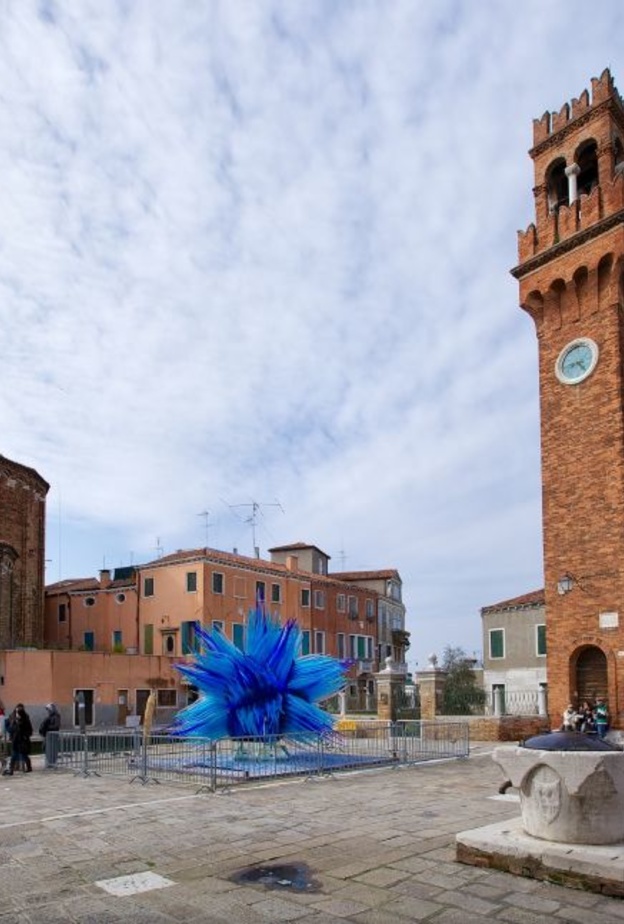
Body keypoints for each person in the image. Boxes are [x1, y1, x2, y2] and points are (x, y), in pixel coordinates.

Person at [3, 704, 33, 774]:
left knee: (23, 754)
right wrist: (11, 730)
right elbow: (9, 726)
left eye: (20, 710)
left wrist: (25, 736)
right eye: (17, 710)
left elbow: (29, 729)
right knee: (14, 755)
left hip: (22, 740)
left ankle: (29, 767)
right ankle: (11, 769)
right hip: (15, 739)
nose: (18, 712)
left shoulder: (25, 718)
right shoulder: (12, 717)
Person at [39, 703, 61, 768]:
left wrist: (47, 728)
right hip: (48, 735)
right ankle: (49, 762)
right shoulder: (49, 717)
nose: (48, 711)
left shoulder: (56, 716)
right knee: (45, 748)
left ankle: (52, 762)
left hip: (53, 736)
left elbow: (56, 726)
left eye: (49, 710)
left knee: (52, 749)